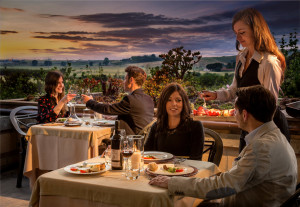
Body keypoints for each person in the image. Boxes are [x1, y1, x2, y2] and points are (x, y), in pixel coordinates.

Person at [149, 85, 297, 206]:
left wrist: (172, 183)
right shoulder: (276, 137)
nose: (234, 114)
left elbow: (225, 186)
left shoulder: (262, 147)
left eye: (235, 110)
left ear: (244, 115)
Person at [202, 8, 290, 152]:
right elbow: (236, 90)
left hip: (267, 130)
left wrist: (255, 132)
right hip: (248, 126)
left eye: (242, 32)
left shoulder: (268, 63)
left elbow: (269, 105)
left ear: (256, 30)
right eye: (236, 33)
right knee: (244, 171)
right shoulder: (241, 58)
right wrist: (216, 95)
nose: (238, 38)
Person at [82, 66, 154, 135]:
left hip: (131, 141)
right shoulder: (148, 99)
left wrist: (89, 102)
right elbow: (137, 117)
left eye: (125, 79)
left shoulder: (130, 100)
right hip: (143, 140)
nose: (123, 82)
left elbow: (107, 109)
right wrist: (116, 116)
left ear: (131, 80)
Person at [144, 83, 204, 160]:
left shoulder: (195, 127)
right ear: (164, 103)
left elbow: (196, 160)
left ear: (184, 103)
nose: (174, 104)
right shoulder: (156, 126)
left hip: (186, 170)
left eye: (178, 100)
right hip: (159, 171)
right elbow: (146, 155)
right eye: (169, 100)